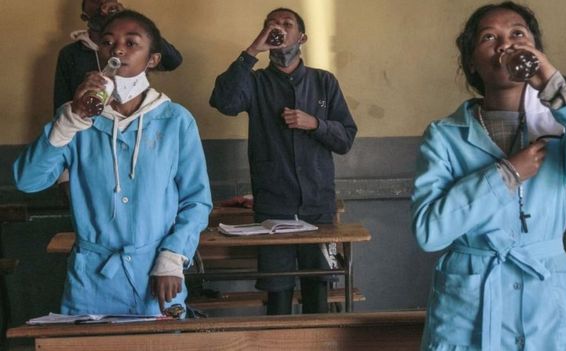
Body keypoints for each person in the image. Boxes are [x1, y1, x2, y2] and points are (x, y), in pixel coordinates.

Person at [410, 2, 566, 350]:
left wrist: (555, 84)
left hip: (546, 301)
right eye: (488, 37)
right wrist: (505, 175)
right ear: (472, 63)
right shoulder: (444, 136)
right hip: (469, 307)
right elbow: (429, 233)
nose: (505, 45)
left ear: (535, 51)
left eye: (518, 34)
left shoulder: (560, 129)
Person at [14, 10, 211, 315]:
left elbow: (196, 201)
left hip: (156, 276)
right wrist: (70, 120)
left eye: (131, 43)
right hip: (91, 280)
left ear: (153, 59)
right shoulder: (77, 118)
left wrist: (173, 257)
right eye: (107, 43)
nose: (117, 49)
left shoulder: (175, 120)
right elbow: (28, 181)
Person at [209, 8, 357, 315]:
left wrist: (315, 123)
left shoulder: (324, 81)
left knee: (318, 288)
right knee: (277, 291)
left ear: (301, 37)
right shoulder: (255, 82)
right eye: (270, 25)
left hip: (318, 206)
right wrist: (251, 51)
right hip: (273, 207)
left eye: (286, 24)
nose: (277, 29)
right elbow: (223, 102)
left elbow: (345, 139)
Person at [53, 0, 183, 112]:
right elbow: (61, 103)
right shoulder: (70, 53)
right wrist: (72, 121)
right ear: (84, 16)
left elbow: (173, 61)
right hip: (87, 126)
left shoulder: (136, 48)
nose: (102, 4)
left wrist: (127, 19)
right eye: (94, 0)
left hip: (134, 119)